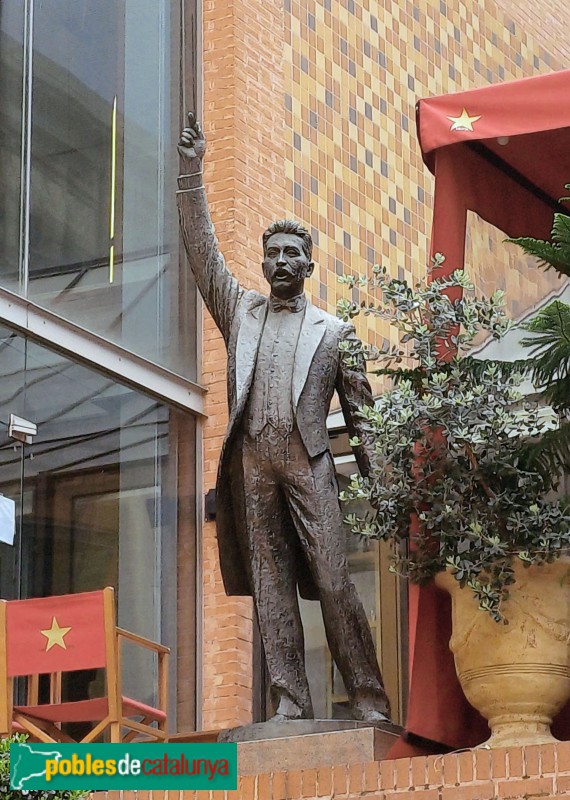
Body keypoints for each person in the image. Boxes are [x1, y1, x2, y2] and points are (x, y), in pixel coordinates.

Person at [177, 113, 390, 723]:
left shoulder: (335, 332)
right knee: (271, 590)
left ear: (310, 266)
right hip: (254, 468)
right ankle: (290, 701)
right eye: (270, 253)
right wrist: (192, 172)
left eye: (291, 253)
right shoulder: (240, 312)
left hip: (308, 464)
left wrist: (386, 490)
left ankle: (370, 698)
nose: (278, 262)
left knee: (332, 579)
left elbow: (363, 418)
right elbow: (202, 254)